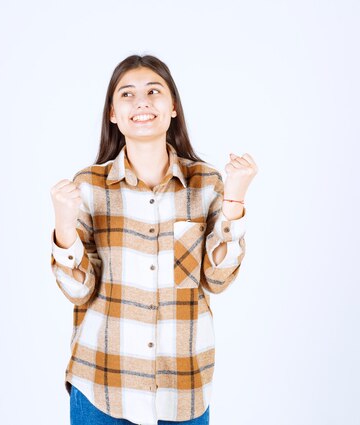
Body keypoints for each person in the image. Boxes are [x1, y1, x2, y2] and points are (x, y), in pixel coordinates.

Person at [49, 54, 258, 425]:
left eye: (153, 91)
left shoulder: (206, 185)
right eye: (126, 94)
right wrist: (64, 229)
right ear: (112, 113)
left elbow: (218, 279)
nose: (141, 102)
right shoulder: (89, 188)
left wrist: (235, 202)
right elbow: (80, 291)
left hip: (182, 390)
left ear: (173, 106)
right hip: (101, 387)